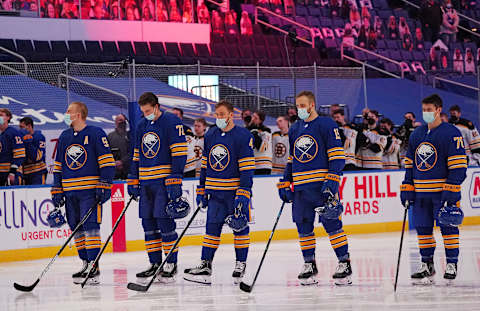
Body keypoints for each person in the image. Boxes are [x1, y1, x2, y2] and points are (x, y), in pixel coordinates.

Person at [277, 91, 352, 286]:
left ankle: (344, 262)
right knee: (303, 227)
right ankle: (309, 263)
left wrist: (333, 179)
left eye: (302, 105)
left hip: (321, 187)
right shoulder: (294, 129)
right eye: (297, 106)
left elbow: (337, 156)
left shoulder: (326, 124)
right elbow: (292, 159)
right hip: (301, 189)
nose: (299, 109)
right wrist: (286, 181)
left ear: (312, 105)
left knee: (332, 224)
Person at [183, 100, 255, 285]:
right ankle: (205, 265)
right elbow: (205, 165)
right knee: (211, 230)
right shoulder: (211, 134)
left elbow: (247, 168)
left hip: (234, 193)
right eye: (217, 115)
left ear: (231, 115)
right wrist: (201, 189)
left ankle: (240, 263)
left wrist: (244, 192)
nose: (219, 118)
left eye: (222, 114)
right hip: (215, 193)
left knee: (239, 227)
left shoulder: (242, 135)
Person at [400, 94, 466, 284]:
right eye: (424, 110)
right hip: (421, 194)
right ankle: (427, 264)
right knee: (423, 229)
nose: (426, 113)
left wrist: (452, 189)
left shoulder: (451, 133)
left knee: (448, 227)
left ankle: (451, 263)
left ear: (438, 110)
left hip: (442, 193)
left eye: (430, 110)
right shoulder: (417, 134)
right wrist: (407, 186)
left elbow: (459, 166)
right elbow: (410, 164)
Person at [51, 102, 115, 285]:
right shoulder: (64, 136)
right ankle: (86, 263)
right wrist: (57, 188)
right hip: (70, 193)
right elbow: (58, 166)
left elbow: (107, 163)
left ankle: (94, 267)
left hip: (89, 192)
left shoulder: (95, 133)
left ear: (78, 114)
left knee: (90, 227)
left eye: (69, 111)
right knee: (76, 228)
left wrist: (104, 184)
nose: (66, 113)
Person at [127, 92, 187, 283]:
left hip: (164, 182)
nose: (146, 114)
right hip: (145, 182)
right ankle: (154, 263)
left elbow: (179, 152)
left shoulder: (171, 122)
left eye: (148, 111)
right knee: (148, 224)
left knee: (165, 222)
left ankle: (170, 263)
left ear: (156, 106)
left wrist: (176, 177)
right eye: (143, 112)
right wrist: (133, 178)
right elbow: (137, 154)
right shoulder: (141, 125)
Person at [0, 108, 25, 186]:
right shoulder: (2, 134)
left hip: (10, 174)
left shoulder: (13, 133)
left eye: (1, 115)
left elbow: (20, 155)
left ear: (8, 117)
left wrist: (12, 172)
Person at [19, 117, 47, 185]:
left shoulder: (39, 137)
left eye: (22, 127)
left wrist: (27, 142)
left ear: (29, 126)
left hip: (38, 173)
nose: (20, 130)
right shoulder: (21, 138)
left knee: (38, 194)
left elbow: (37, 157)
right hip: (25, 174)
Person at [171, 108, 195, 178]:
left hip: (188, 166)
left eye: (176, 115)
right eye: (172, 115)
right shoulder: (167, 129)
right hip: (173, 166)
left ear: (181, 117)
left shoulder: (186, 129)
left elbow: (189, 148)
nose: (174, 117)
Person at [248, 111, 273, 175]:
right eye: (252, 116)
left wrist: (255, 134)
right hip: (252, 164)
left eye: (255, 118)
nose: (253, 119)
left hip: (263, 165)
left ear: (260, 121)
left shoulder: (266, 131)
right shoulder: (248, 130)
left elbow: (263, 147)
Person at [107, 114, 130, 180]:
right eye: (120, 120)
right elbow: (106, 152)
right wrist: (113, 163)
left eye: (124, 121)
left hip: (128, 170)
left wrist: (123, 162)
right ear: (116, 122)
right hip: (114, 171)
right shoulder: (110, 136)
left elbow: (133, 151)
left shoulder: (130, 136)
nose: (122, 123)